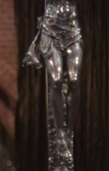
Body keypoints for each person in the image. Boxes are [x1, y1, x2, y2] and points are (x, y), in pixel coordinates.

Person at [23, 0, 82, 159]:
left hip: (72, 32)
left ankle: (69, 130)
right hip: (50, 32)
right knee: (55, 80)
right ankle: (60, 133)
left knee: (74, 79)